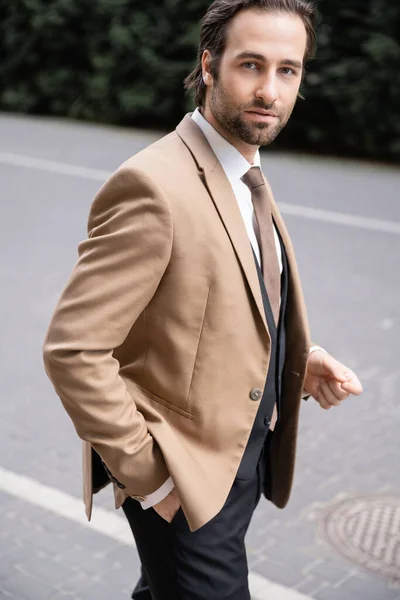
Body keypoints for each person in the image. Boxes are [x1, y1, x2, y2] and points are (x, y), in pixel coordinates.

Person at [43, 0, 363, 598]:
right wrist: (153, 481)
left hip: (239, 453)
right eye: (250, 65)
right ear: (208, 65)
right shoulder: (153, 186)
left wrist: (294, 360)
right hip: (184, 480)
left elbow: (214, 302)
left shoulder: (244, 173)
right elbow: (73, 349)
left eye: (287, 70)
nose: (269, 90)